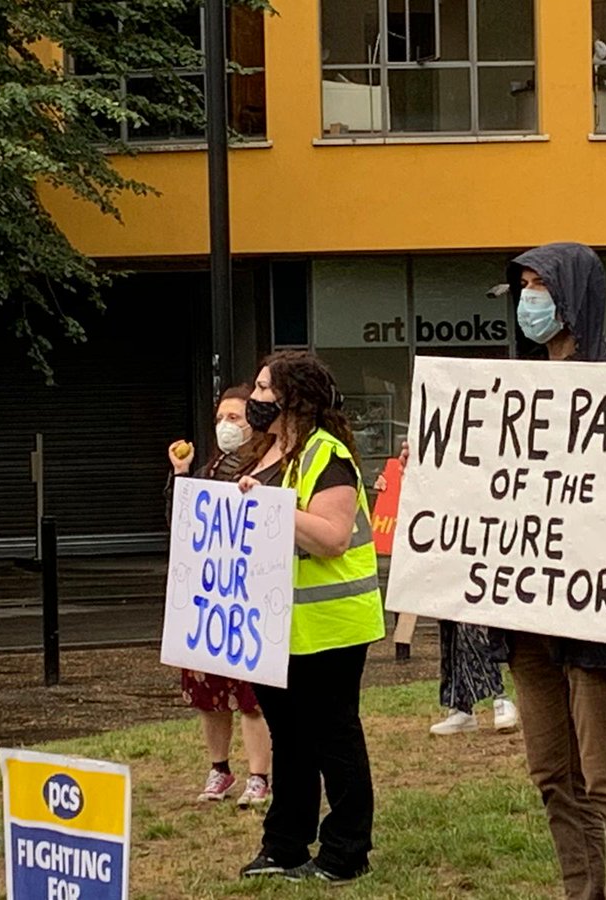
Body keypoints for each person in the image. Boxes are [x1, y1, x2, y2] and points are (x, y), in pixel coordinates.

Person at [401, 243, 606, 900]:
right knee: (552, 776)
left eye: (543, 285)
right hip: (527, 621)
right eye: (524, 286)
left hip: (600, 628)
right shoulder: (509, 389)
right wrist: (435, 455)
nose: (530, 299)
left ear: (576, 295)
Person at [236, 351, 385, 885]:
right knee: (289, 737)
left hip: (331, 627)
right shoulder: (265, 454)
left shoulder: (329, 455)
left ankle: (346, 850)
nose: (252, 398)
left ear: (292, 397)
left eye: (261, 388)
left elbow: (332, 537)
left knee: (333, 736)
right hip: (274, 626)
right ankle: (285, 845)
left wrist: (273, 509)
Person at [166, 386, 272, 806]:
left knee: (251, 696)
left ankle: (259, 774)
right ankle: (219, 768)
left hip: (248, 596)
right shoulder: (210, 469)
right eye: (221, 418)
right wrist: (182, 474)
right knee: (209, 690)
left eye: (236, 418)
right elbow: (183, 523)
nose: (227, 426)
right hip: (211, 595)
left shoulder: (266, 466)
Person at [372, 473, 518, 736]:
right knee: (448, 622)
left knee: (473, 623)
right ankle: (459, 705)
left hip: (476, 534)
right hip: (444, 535)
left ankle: (500, 696)